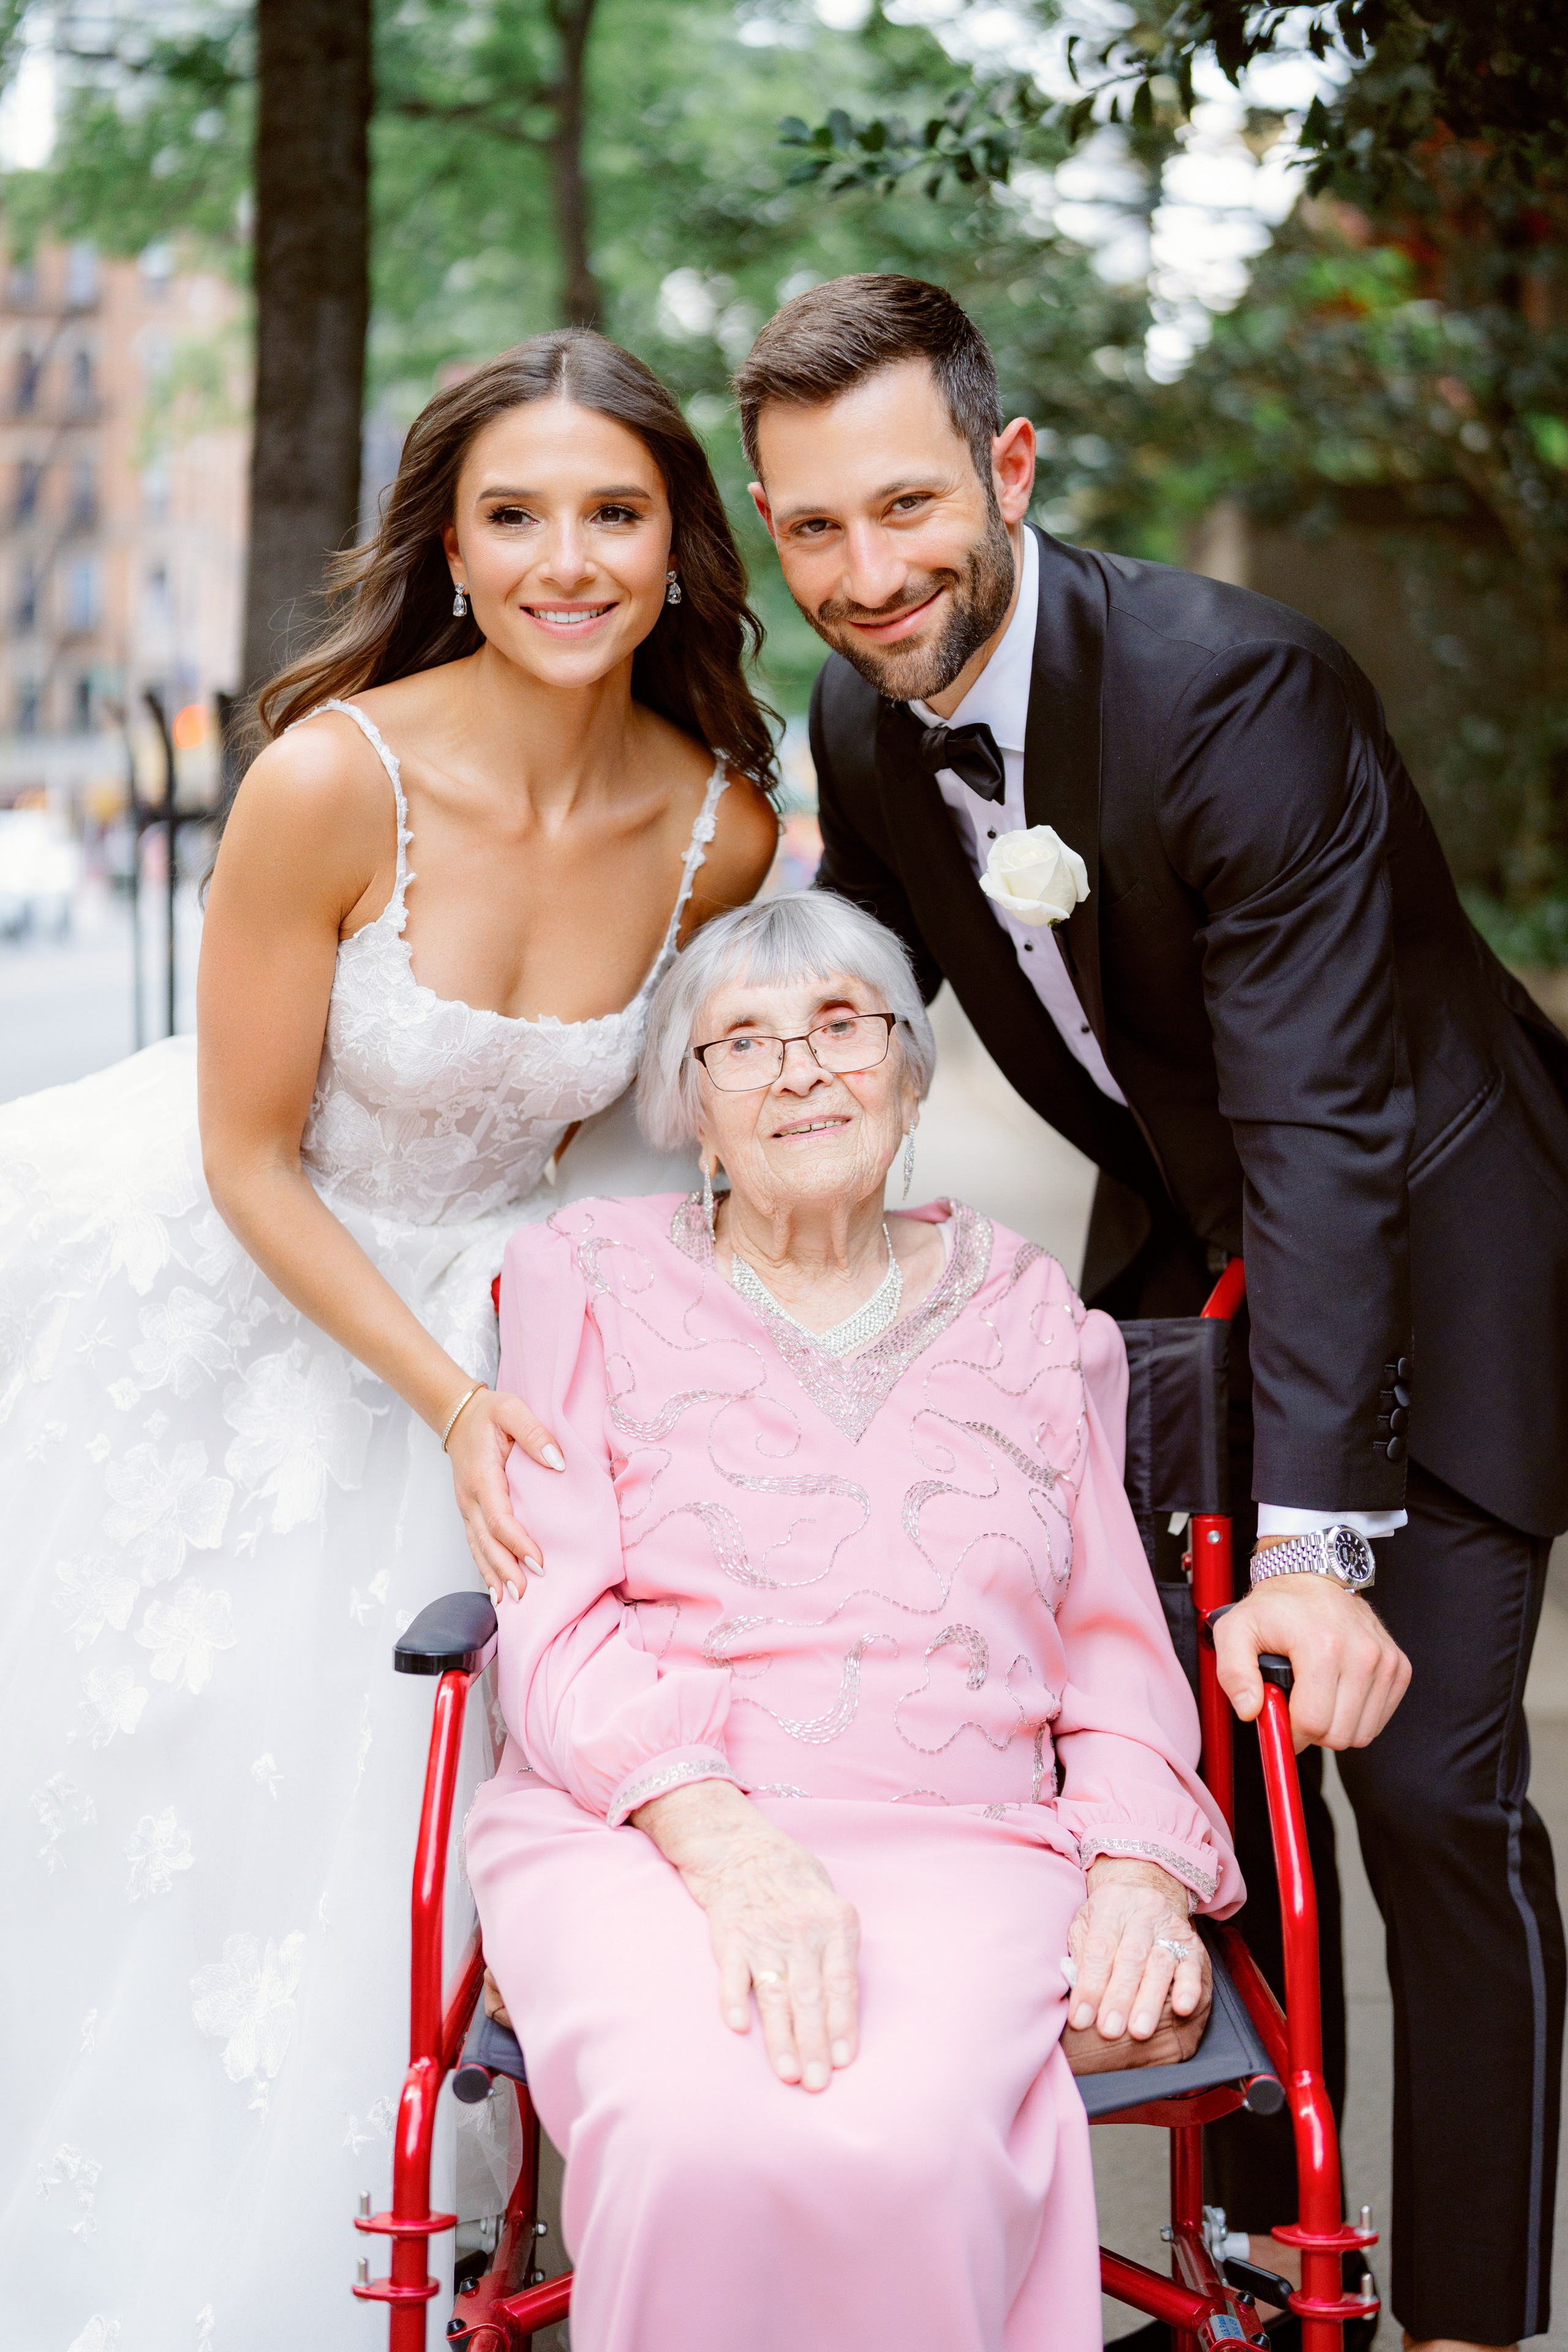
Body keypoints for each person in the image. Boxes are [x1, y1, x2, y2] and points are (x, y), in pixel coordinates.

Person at [731, 273, 1568, 2350]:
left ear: (1010, 467)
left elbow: (1326, 1122)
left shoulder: (1235, 692)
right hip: (1194, 1256)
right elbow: (847, 1023)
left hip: (1439, 1240)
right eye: (813, 527)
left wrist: (1315, 1550)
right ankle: (1283, 2279)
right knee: (1203, 1798)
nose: (867, 573)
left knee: (1423, 1793)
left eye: (908, 506)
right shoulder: (863, 717)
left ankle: (1464, 2321)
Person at [0, 329, 779, 2348]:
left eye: (613, 513)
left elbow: (646, 1164)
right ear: (448, 544)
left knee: (414, 1850)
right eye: (513, 515)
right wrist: (449, 1401)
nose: (564, 560)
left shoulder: (726, 834)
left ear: (681, 546)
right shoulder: (329, 780)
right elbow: (245, 1158)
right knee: (177, 1833)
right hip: (243, 1295)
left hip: (492, 1312)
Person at [466, 889, 1242, 2352]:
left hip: (968, 1837)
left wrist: (1137, 1868)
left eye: (841, 1027)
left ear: (907, 1075)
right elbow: (552, 1611)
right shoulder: (590, 1275)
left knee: (911, 2139)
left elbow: (1113, 1646)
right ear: (691, 1113)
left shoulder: (1028, 1310)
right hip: (643, 1829)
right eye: (743, 1044)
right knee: (687, 2131)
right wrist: (725, 1844)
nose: (801, 1070)